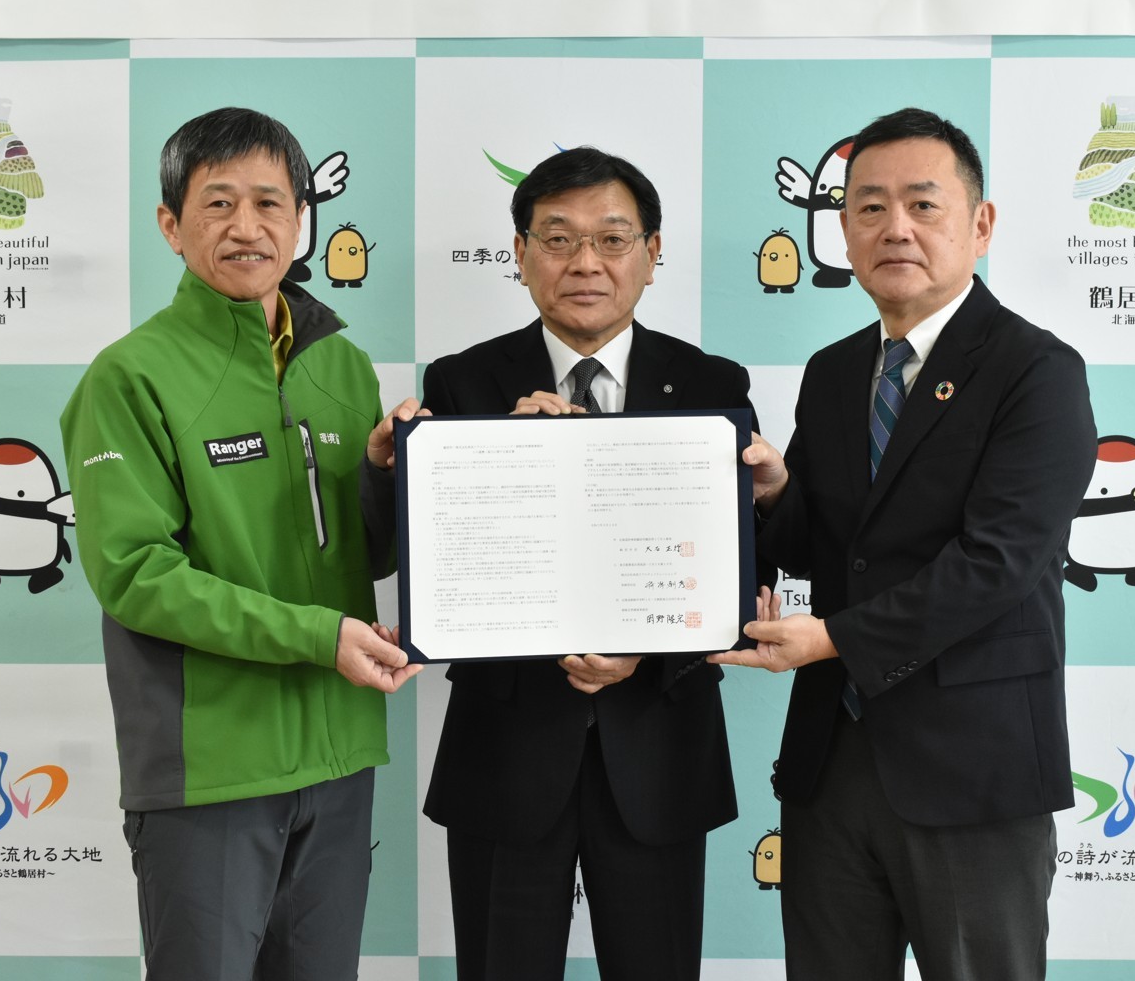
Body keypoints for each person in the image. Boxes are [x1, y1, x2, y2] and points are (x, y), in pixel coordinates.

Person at [713, 107, 1097, 980]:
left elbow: (997, 563)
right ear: (844, 230)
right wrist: (774, 491)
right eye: (870, 207)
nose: (895, 228)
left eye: (923, 205)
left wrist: (833, 640)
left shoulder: (1037, 371)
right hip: (832, 761)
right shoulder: (835, 370)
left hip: (973, 769)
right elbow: (826, 545)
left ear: (980, 224)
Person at [60, 106, 422, 981]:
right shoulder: (129, 376)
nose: (246, 227)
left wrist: (386, 476)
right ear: (170, 225)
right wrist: (319, 637)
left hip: (339, 755)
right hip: (209, 768)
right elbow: (137, 576)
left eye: (269, 203)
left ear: (302, 221)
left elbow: (362, 555)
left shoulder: (342, 365)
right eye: (217, 204)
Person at [421, 146, 755, 981]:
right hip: (506, 750)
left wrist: (652, 647)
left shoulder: (711, 383)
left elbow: (738, 567)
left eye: (612, 239)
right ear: (520, 253)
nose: (585, 263)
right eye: (558, 239)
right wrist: (504, 463)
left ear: (652, 252)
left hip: (660, 746)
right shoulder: (463, 383)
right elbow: (440, 564)